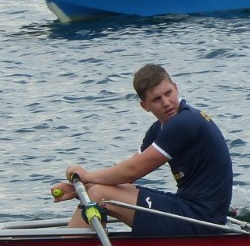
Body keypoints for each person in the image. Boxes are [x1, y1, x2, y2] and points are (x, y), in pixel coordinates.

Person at [56, 64, 232, 235]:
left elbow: (132, 171)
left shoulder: (185, 122)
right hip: (188, 207)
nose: (166, 103)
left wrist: (86, 176)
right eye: (157, 99)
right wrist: (80, 188)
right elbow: (126, 175)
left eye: (168, 93)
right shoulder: (158, 129)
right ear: (144, 105)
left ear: (176, 88)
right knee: (98, 190)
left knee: (100, 195)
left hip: (203, 219)